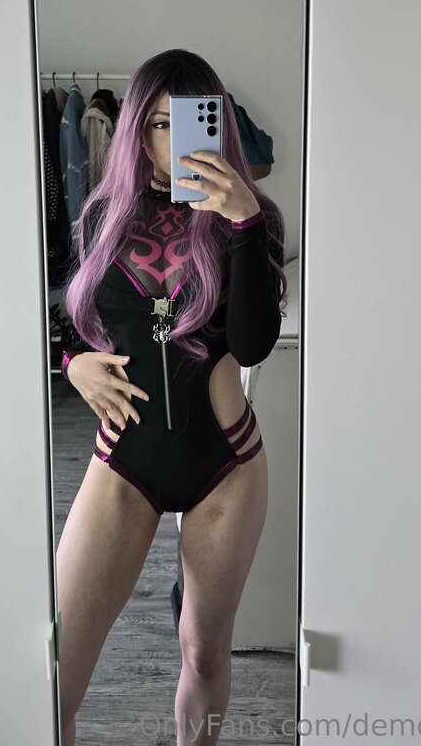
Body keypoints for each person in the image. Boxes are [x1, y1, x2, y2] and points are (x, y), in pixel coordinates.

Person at [55, 48, 287, 745]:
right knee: (59, 669)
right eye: (158, 124)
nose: (174, 142)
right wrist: (71, 365)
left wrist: (244, 225)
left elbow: (251, 345)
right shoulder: (101, 218)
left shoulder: (256, 219)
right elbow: (74, 323)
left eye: (189, 122)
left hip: (225, 466)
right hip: (124, 460)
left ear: (217, 126)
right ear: (134, 129)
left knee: (204, 651)